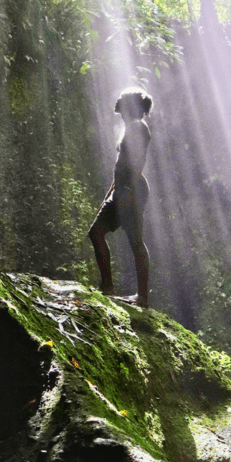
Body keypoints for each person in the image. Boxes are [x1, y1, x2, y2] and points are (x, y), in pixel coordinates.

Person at [89, 87, 153, 307]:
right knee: (96, 233)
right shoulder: (129, 127)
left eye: (122, 101)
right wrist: (110, 194)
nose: (118, 104)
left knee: (136, 241)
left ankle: (142, 297)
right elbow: (120, 165)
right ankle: (107, 288)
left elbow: (137, 163)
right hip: (121, 190)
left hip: (131, 191)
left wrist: (127, 193)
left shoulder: (138, 127)